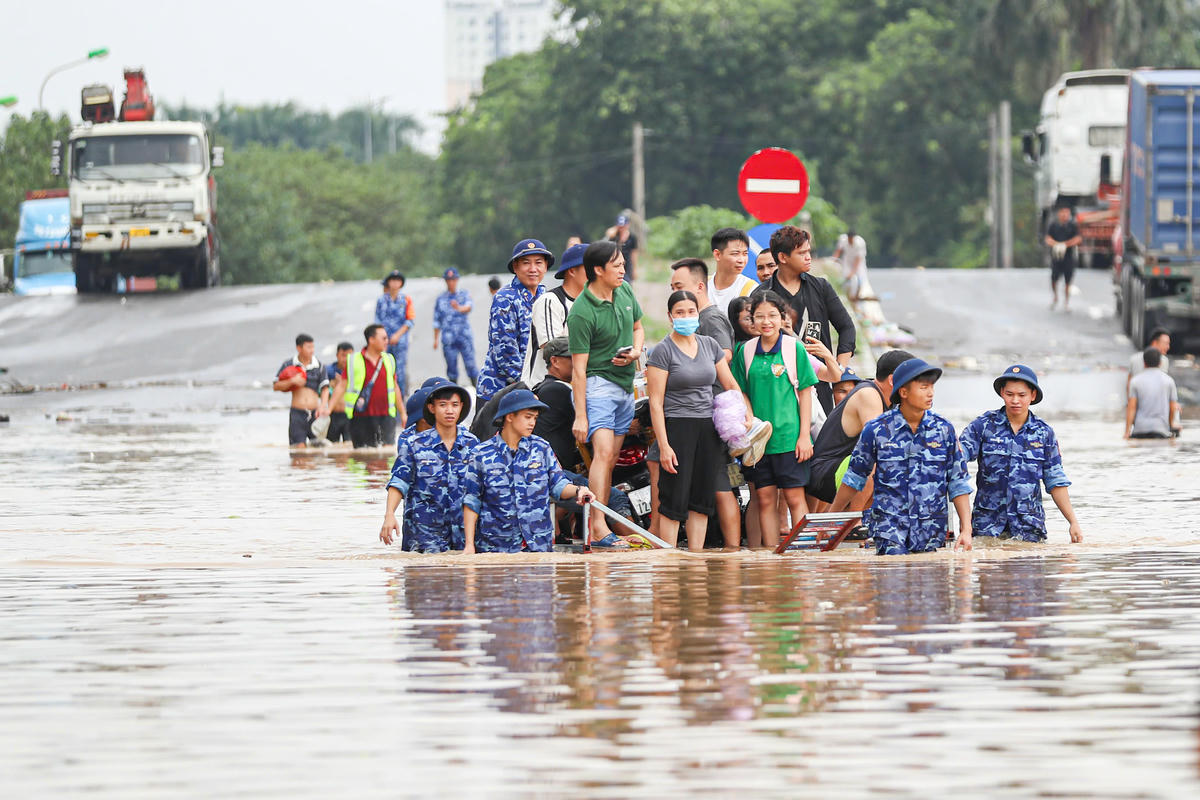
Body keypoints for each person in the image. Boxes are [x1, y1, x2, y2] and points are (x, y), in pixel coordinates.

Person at [647, 291, 749, 550]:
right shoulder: (662, 351)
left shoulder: (709, 345)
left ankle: (695, 556)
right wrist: (664, 445)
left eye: (690, 312)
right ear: (670, 317)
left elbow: (729, 383)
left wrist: (745, 416)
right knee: (674, 495)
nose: (686, 317)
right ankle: (669, 557)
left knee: (702, 496)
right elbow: (656, 403)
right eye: (679, 313)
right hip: (677, 426)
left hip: (708, 426)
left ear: (697, 313)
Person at [839, 358, 973, 555]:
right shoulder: (877, 429)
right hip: (889, 531)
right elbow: (854, 478)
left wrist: (966, 529)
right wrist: (832, 520)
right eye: (923, 387)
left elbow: (958, 482)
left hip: (930, 532)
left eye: (932, 387)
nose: (930, 393)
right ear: (904, 392)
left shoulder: (944, 430)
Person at [567, 240, 645, 543]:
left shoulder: (624, 290)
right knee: (601, 454)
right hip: (599, 386)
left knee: (611, 457)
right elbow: (578, 370)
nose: (624, 269)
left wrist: (636, 352)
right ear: (598, 270)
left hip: (626, 386)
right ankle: (596, 525)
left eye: (624, 263)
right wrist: (581, 416)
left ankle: (603, 520)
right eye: (617, 265)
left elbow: (638, 327)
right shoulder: (582, 312)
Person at [732, 291, 818, 549]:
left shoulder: (794, 349)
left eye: (772, 316)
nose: (766, 322)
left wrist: (804, 437)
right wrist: (749, 420)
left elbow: (805, 394)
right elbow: (741, 391)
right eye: (759, 317)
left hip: (789, 438)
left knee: (794, 496)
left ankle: (803, 552)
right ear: (752, 321)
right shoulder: (745, 351)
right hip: (759, 442)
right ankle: (772, 555)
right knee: (766, 498)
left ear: (782, 318)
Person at [960, 365, 1083, 544]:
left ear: (1032, 396)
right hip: (987, 526)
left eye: (1022, 395)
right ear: (1002, 393)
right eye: (1010, 394)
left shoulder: (1044, 433)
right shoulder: (983, 426)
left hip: (1029, 529)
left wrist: (1073, 522)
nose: (1015, 400)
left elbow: (1055, 480)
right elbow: (957, 458)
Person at [463, 389, 595, 554]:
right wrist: (469, 544)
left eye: (535, 418)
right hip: (496, 547)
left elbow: (558, 485)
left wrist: (579, 490)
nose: (532, 423)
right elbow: (471, 501)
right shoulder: (481, 454)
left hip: (537, 545)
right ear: (510, 416)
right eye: (527, 417)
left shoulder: (541, 448)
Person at [668, 258, 742, 544]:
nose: (675, 291)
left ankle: (733, 550)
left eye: (679, 286)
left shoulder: (709, 321)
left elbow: (726, 358)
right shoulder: (668, 347)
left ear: (699, 287)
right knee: (709, 487)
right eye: (673, 289)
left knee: (720, 486)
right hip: (693, 418)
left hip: (713, 416)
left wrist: (741, 412)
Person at [535, 337, 636, 544]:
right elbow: (596, 421)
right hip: (554, 475)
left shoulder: (544, 388)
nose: (580, 362)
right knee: (614, 497)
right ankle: (643, 545)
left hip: (556, 470)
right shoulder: (560, 390)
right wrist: (628, 425)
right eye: (572, 358)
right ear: (555, 361)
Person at [760, 225, 856, 413]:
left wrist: (839, 370)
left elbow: (847, 328)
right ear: (782, 257)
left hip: (820, 384)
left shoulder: (820, 287)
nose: (808, 257)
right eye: (801, 253)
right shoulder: (763, 295)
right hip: (779, 387)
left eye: (808, 251)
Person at [380, 379, 478, 553]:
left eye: (455, 405)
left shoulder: (472, 444)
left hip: (463, 537)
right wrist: (389, 514)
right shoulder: (414, 445)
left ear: (461, 407)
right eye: (443, 405)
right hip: (424, 537)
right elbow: (399, 482)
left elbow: (479, 492)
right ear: (432, 408)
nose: (450, 410)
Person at [813, 350, 915, 511]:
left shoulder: (892, 401)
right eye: (913, 379)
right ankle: (854, 519)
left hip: (846, 470)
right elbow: (878, 442)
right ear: (892, 379)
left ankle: (857, 516)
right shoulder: (869, 394)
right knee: (879, 457)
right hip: (826, 474)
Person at [476, 239, 552, 404]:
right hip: (500, 391)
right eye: (526, 263)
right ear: (516, 267)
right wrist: (529, 386)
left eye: (538, 263)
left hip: (535, 388)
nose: (533, 269)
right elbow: (505, 351)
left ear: (545, 266)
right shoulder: (505, 298)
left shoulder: (546, 297)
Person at [522, 242, 587, 386]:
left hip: (577, 387)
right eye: (590, 267)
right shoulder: (550, 301)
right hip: (544, 391)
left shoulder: (592, 304)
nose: (596, 273)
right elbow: (555, 349)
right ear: (572, 271)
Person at [344, 324, 406, 448]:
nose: (387, 341)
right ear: (371, 340)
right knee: (362, 458)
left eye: (387, 338)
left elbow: (395, 387)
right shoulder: (354, 360)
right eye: (383, 338)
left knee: (388, 455)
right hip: (360, 417)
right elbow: (341, 385)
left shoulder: (389, 359)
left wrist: (403, 413)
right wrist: (327, 409)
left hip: (386, 416)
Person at [273, 333, 331, 448]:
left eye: (313, 347)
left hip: (315, 413)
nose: (312, 350)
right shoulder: (289, 364)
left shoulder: (319, 366)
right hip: (297, 413)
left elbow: (325, 389)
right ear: (299, 348)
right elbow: (276, 386)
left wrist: (323, 406)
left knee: (318, 450)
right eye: (308, 347)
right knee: (298, 450)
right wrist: (292, 381)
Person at [433, 267, 478, 386]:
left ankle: (478, 393)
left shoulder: (463, 294)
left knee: (471, 365)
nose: (451, 282)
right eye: (448, 280)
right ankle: (454, 394)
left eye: (453, 279)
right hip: (448, 338)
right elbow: (437, 320)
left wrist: (458, 307)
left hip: (464, 336)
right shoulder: (441, 299)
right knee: (451, 367)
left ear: (457, 280)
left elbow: (468, 307)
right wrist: (435, 339)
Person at [1126, 347, 1181, 439]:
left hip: (1139, 430)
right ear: (1160, 363)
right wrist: (1171, 425)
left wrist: (1127, 432)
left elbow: (1131, 408)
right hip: (1161, 430)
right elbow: (1172, 408)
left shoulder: (1135, 381)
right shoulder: (1169, 381)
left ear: (1144, 363)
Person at [375, 270, 415, 395]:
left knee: (400, 371)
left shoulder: (406, 299)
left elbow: (410, 320)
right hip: (384, 341)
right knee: (384, 370)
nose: (395, 283)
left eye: (398, 280)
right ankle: (386, 398)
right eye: (392, 280)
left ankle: (400, 399)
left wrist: (397, 335)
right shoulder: (382, 300)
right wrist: (384, 337)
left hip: (400, 341)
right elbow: (378, 321)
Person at [707, 228, 756, 314]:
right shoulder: (702, 286)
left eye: (745, 254)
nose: (741, 260)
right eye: (735, 254)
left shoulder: (751, 289)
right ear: (717, 255)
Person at [1045, 205, 1081, 310]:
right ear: (1059, 214)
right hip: (1056, 257)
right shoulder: (1053, 225)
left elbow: (1078, 239)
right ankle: (1055, 297)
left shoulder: (1073, 226)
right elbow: (1047, 238)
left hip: (1068, 257)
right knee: (1054, 279)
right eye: (1063, 212)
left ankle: (1066, 302)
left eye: (1067, 213)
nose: (1065, 215)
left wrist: (1066, 244)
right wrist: (1056, 244)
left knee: (1068, 281)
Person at [325, 341, 354, 443]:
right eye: (343, 355)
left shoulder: (356, 371)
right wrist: (332, 386)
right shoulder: (329, 371)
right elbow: (320, 391)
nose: (346, 359)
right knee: (331, 446)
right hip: (333, 415)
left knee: (350, 446)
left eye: (349, 356)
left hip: (350, 415)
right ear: (337, 355)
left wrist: (343, 384)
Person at [1127, 326, 1171, 393]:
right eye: (1166, 343)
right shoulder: (1163, 360)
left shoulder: (1134, 358)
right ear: (1155, 342)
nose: (1168, 347)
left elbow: (1129, 385)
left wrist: (1130, 402)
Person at [832, 228, 869, 301]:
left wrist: (852, 273)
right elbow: (838, 251)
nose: (850, 241)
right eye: (849, 239)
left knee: (860, 277)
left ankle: (857, 296)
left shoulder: (860, 243)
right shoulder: (843, 239)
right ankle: (848, 295)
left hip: (859, 262)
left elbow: (858, 260)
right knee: (846, 277)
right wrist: (833, 261)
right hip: (847, 260)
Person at [605, 213, 639, 281]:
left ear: (627, 225)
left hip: (627, 264)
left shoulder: (632, 237)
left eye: (624, 226)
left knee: (627, 283)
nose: (622, 228)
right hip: (616, 263)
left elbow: (634, 254)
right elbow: (608, 235)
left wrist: (635, 269)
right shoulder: (613, 236)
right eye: (620, 226)